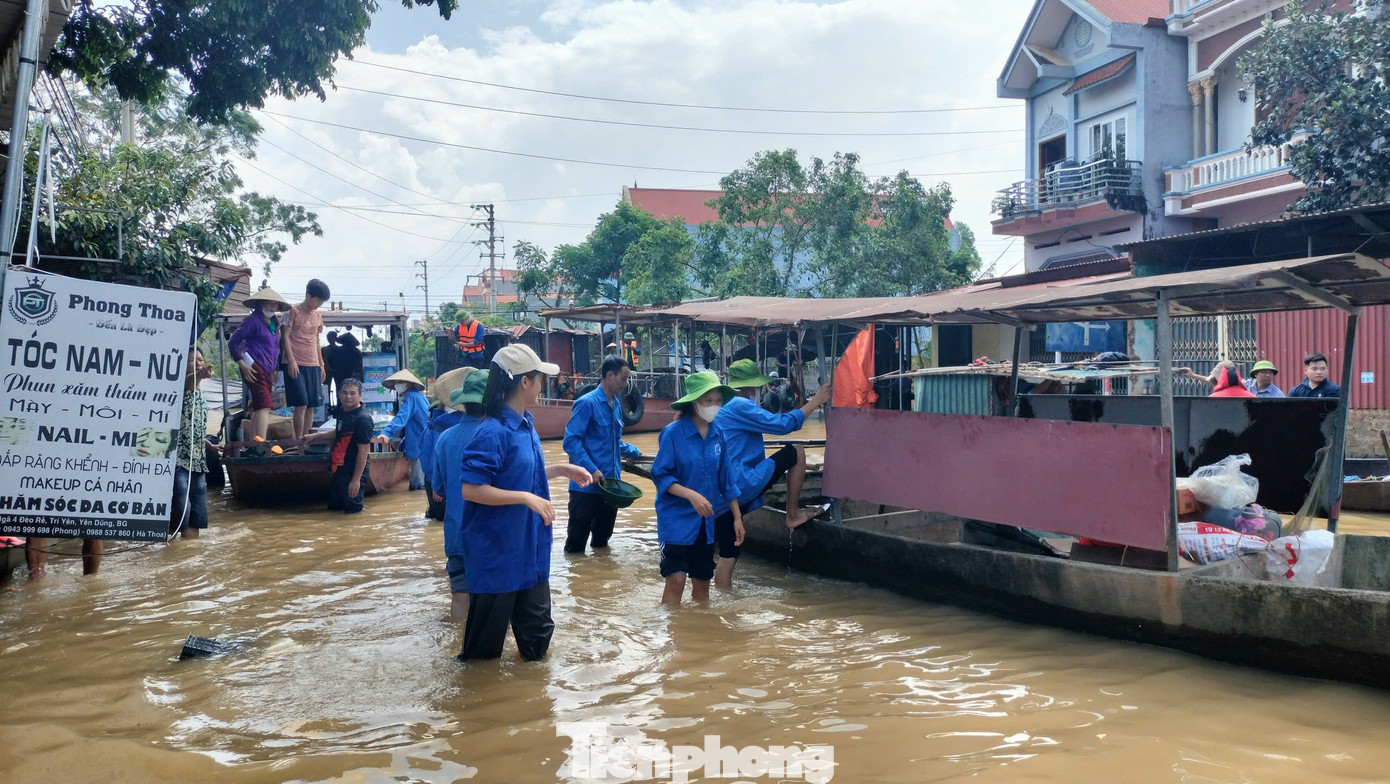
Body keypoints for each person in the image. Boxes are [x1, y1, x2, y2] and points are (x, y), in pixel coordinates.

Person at [456, 344, 590, 660]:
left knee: (538, 646)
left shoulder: (526, 425)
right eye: (538, 378)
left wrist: (559, 469)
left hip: (529, 553)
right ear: (524, 382)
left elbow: (516, 475)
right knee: (483, 655)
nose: (542, 385)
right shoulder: (492, 431)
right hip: (497, 557)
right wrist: (526, 498)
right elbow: (471, 490)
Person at [712, 359, 832, 587]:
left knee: (729, 554)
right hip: (741, 482)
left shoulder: (724, 408)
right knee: (796, 451)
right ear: (752, 386)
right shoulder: (740, 405)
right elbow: (785, 425)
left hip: (724, 489)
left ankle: (719, 606)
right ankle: (792, 514)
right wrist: (816, 401)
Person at [650, 371, 742, 607]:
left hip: (704, 522)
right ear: (694, 403)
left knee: (702, 584)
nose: (714, 406)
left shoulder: (719, 434)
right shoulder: (672, 433)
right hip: (675, 520)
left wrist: (737, 518)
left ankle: (700, 635)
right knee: (676, 580)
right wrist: (691, 495)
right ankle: (670, 635)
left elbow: (727, 481)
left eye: (718, 401)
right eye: (707, 401)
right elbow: (660, 474)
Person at [562, 357, 644, 554]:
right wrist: (592, 470)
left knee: (601, 545)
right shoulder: (586, 404)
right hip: (585, 488)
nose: (626, 384)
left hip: (610, 488)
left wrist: (635, 453)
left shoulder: (616, 404)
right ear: (609, 375)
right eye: (623, 379)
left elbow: (614, 442)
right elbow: (571, 442)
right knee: (575, 548)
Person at [430, 371, 489, 622]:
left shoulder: (445, 438)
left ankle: (457, 652)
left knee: (459, 597)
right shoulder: (495, 435)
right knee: (491, 599)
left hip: (456, 535)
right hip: (490, 536)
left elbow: (438, 491)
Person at [228, 287, 290, 441]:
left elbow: (275, 348)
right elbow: (233, 342)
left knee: (259, 405)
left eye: (276, 304)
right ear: (261, 302)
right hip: (253, 365)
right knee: (265, 405)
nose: (273, 306)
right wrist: (242, 364)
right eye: (270, 303)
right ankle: (260, 444)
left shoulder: (275, 323)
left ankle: (254, 443)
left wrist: (275, 368)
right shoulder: (253, 320)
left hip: (268, 368)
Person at [171, 348, 216, 539]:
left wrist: (208, 444)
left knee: (196, 517)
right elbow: (189, 381)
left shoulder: (200, 394)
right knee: (180, 512)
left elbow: (191, 426)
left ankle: (187, 556)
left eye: (200, 359)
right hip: (178, 462)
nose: (199, 362)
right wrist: (199, 373)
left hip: (198, 462)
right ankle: (168, 551)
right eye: (193, 360)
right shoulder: (180, 387)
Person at [312, 378, 373, 514]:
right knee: (335, 509)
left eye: (352, 393)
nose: (348, 397)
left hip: (354, 469)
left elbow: (363, 452)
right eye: (344, 393)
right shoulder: (342, 411)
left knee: (354, 510)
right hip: (340, 468)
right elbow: (340, 432)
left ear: (360, 395)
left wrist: (356, 480)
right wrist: (316, 436)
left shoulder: (363, 419)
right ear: (339, 394)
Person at [282, 279, 330, 438]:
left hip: (314, 364)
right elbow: (285, 336)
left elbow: (316, 340)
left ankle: (306, 440)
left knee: (311, 405)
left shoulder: (318, 316)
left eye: (322, 301)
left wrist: (322, 364)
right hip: (296, 363)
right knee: (301, 403)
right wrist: (291, 360)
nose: (319, 304)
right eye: (317, 300)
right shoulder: (292, 312)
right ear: (308, 295)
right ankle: (297, 441)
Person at [375, 370, 430, 490]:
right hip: (423, 444)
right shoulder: (420, 397)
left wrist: (387, 432)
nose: (396, 385)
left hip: (419, 447)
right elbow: (416, 425)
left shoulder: (411, 397)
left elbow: (401, 418)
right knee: (422, 485)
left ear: (407, 384)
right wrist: (403, 444)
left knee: (418, 487)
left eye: (399, 382)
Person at [325, 331, 364, 404]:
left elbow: (331, 362)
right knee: (354, 392)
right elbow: (359, 366)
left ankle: (340, 408)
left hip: (339, 375)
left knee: (341, 393)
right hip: (353, 376)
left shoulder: (336, 351)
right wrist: (361, 377)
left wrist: (334, 371)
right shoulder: (356, 351)